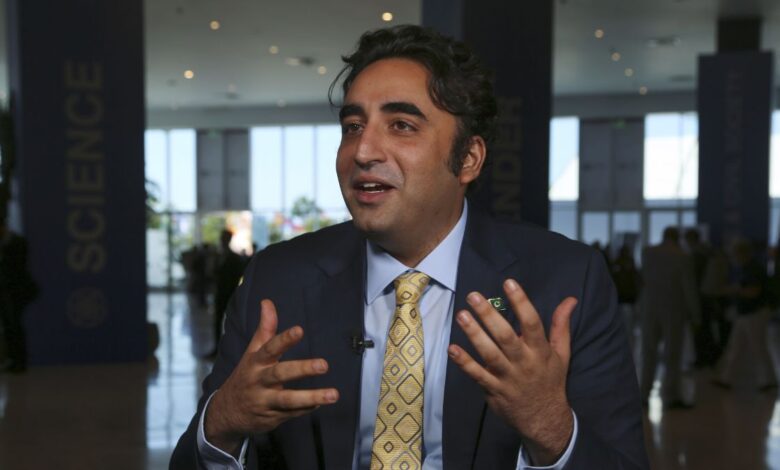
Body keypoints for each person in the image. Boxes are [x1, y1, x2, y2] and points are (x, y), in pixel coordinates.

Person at [171, 25, 647, 469]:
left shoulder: (566, 281)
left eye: (401, 125)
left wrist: (553, 430)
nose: (363, 151)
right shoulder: (277, 279)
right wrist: (222, 423)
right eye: (353, 126)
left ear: (468, 158)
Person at [639, 227, 700, 409]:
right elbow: (688, 287)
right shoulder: (682, 256)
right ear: (678, 237)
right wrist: (696, 313)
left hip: (649, 307)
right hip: (673, 309)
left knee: (648, 352)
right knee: (672, 354)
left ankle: (643, 394)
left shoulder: (648, 253)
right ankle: (670, 395)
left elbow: (642, 280)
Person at [715, 239, 778, 390]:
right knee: (736, 346)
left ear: (741, 253)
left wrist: (734, 290)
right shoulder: (746, 268)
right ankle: (726, 379)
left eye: (734, 254)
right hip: (746, 313)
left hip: (755, 312)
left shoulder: (753, 269)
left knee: (758, 347)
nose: (733, 258)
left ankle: (768, 381)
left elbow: (753, 292)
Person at [0, 218, 38, 373]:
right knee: (9, 325)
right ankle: (12, 359)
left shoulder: (17, 242)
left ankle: (19, 360)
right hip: (5, 291)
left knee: (15, 325)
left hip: (16, 291)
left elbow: (17, 267)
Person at [210, 229, 248, 357]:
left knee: (232, 323)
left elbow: (238, 276)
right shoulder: (219, 257)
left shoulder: (234, 258)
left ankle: (232, 350)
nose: (222, 241)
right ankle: (217, 348)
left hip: (230, 294)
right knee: (217, 321)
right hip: (220, 293)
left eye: (224, 238)